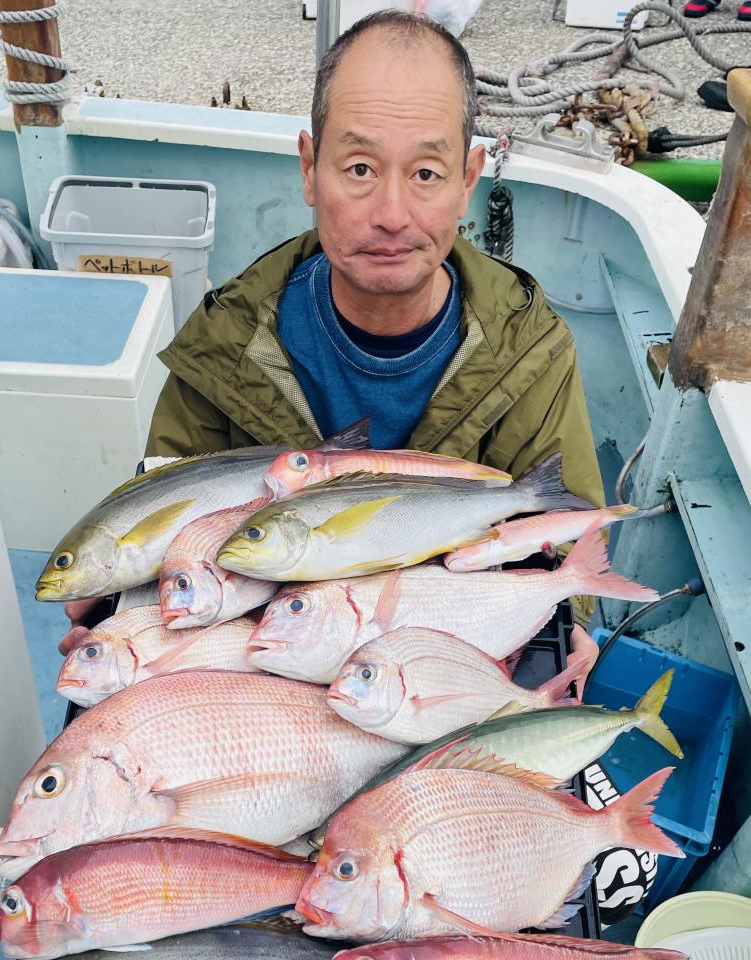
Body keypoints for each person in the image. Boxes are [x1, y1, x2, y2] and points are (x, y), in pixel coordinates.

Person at [62, 8, 604, 646]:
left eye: (426, 174)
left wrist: (567, 622)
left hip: (442, 653)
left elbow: (568, 537)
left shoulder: (528, 351)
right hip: (267, 655)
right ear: (309, 169)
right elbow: (172, 547)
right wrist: (125, 627)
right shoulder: (223, 349)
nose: (392, 214)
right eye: (360, 169)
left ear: (467, 181)